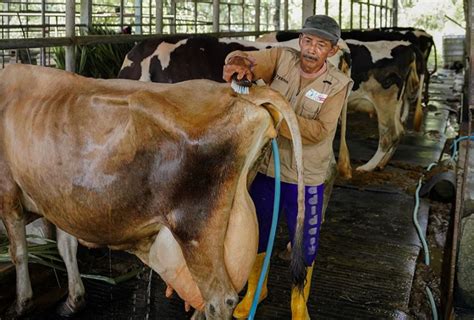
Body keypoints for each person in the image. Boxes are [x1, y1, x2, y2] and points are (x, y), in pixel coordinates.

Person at [222, 15, 353, 319]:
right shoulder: (282, 57)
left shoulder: (338, 85)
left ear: (331, 51)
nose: (310, 49)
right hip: (267, 169)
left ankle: (298, 301)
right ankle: (256, 290)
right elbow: (247, 59)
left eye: (320, 45)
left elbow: (320, 130)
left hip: (306, 176)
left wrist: (273, 115)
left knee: (305, 240)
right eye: (307, 41)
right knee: (258, 231)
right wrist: (238, 61)